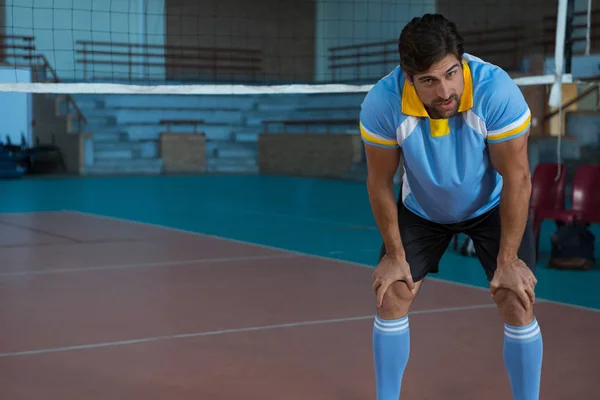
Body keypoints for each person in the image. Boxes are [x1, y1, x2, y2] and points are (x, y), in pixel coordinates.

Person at [359, 13, 542, 400]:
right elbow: (379, 182)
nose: (444, 90)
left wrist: (508, 260)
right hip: (422, 208)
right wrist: (394, 253)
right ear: (409, 78)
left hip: (492, 205)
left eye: (451, 73)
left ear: (462, 62)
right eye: (428, 80)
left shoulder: (496, 91)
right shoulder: (383, 102)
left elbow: (518, 178)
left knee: (517, 298)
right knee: (393, 291)